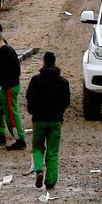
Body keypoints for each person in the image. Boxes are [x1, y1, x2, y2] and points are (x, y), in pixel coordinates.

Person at [25, 51, 70, 195]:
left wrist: (32, 111)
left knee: (37, 147)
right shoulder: (63, 81)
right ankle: (50, 181)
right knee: (52, 152)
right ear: (55, 62)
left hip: (39, 120)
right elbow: (66, 101)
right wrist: (60, 113)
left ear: (44, 62)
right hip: (55, 120)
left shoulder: (35, 80)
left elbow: (29, 98)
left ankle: (38, 169)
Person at [0, 29, 27, 151]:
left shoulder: (5, 52)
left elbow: (5, 73)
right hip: (6, 86)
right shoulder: (6, 50)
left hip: (9, 87)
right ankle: (0, 136)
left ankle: (20, 140)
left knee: (11, 115)